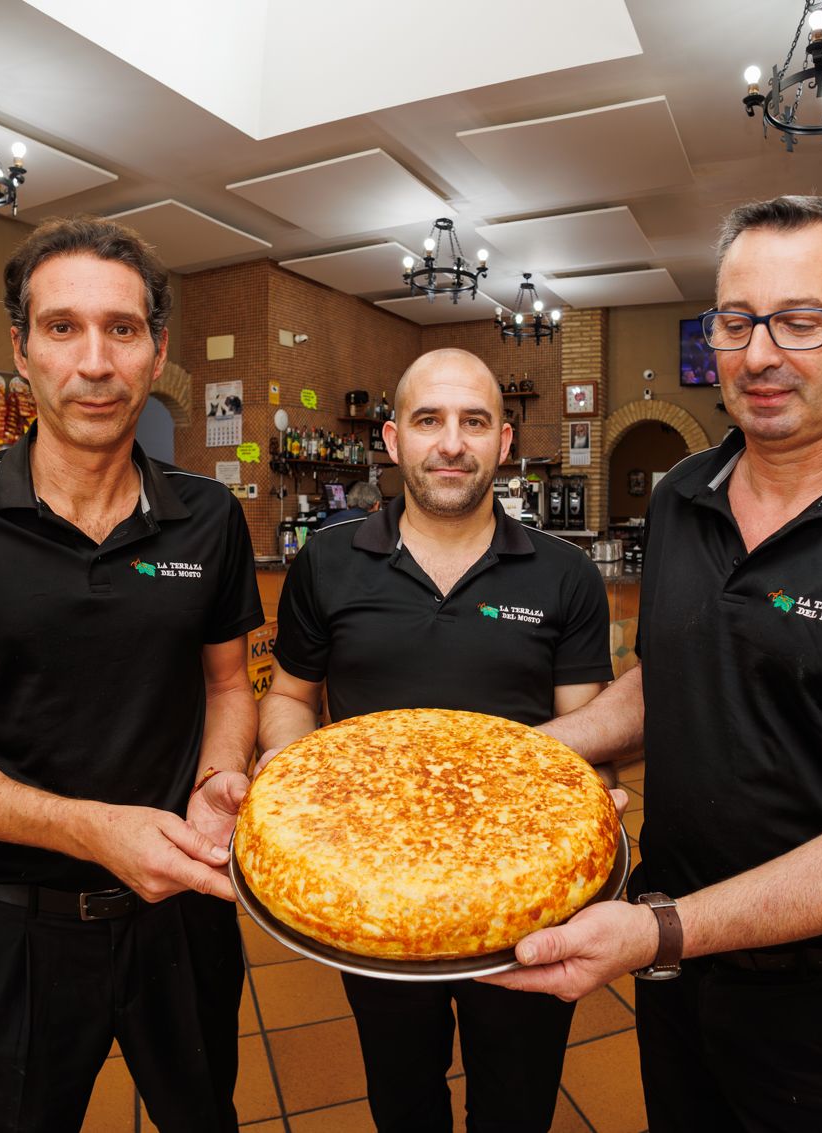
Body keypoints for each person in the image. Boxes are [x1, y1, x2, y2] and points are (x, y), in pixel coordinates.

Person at [487, 196, 822, 1131]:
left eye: (801, 320)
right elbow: (671, 680)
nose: (761, 353)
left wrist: (662, 928)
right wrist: (524, 755)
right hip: (680, 972)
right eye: (736, 322)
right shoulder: (682, 496)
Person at [0, 217, 263, 1133]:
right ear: (20, 349)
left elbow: (231, 686)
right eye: (62, 327)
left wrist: (218, 778)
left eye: (122, 328)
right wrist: (90, 829)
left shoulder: (206, 516)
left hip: (183, 920)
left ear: (157, 351)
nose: (94, 361)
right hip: (16, 926)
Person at [257, 347, 615, 1133]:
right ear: (391, 440)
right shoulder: (326, 561)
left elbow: (584, 736)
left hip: (526, 899)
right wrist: (284, 793)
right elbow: (289, 696)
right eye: (428, 420)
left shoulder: (566, 576)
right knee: (402, 1095)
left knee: (516, 1105)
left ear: (504, 443)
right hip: (374, 899)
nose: (451, 442)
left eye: (474, 422)